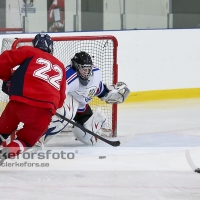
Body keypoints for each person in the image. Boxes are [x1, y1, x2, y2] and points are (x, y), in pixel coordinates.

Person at [34, 51, 130, 149]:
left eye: (88, 69)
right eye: (83, 69)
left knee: (89, 139)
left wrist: (110, 93)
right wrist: (50, 107)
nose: (86, 72)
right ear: (76, 67)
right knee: (64, 115)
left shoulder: (95, 74)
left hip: (82, 110)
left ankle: (96, 122)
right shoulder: (68, 76)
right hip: (66, 104)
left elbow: (97, 89)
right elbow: (56, 94)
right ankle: (36, 137)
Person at [0, 33, 66, 165]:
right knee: (26, 141)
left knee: (2, 130)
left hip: (19, 103)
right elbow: (61, 99)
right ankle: (4, 153)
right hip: (43, 112)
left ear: (35, 44)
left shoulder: (29, 50)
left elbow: (2, 62)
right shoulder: (61, 66)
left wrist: (8, 79)